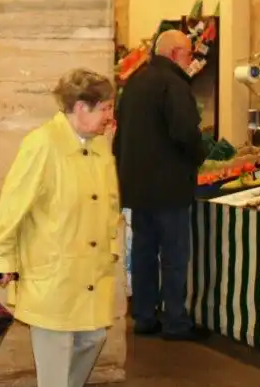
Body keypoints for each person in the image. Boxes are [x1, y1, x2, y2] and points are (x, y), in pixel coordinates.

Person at [0, 69, 121, 387]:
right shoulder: (41, 144)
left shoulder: (101, 145)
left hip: (92, 272)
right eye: (105, 108)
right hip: (52, 275)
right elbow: (12, 206)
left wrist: (114, 248)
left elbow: (111, 202)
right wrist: (3, 260)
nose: (110, 116)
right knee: (55, 367)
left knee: (94, 337)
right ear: (80, 108)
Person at [113, 29, 207, 341]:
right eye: (189, 53)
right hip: (169, 186)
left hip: (138, 186)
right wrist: (199, 155)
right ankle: (175, 321)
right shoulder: (174, 85)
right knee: (174, 256)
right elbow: (185, 132)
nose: (192, 59)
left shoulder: (136, 81)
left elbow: (119, 132)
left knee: (143, 251)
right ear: (175, 53)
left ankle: (143, 316)